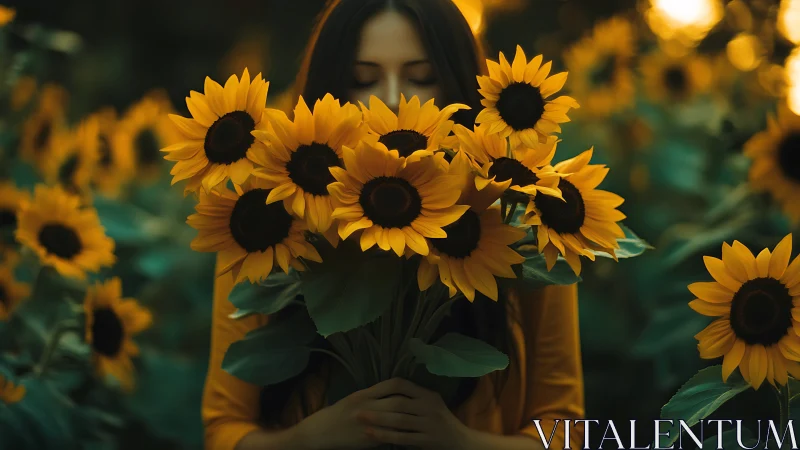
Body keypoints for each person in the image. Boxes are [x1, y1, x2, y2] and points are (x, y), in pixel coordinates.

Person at [202, 1, 585, 449]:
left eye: (421, 78)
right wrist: (309, 440)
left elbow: (566, 430)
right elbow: (223, 429)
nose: (390, 98)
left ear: (461, 87)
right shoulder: (265, 223)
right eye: (362, 80)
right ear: (329, 92)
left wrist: (459, 443)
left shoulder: (522, 227)